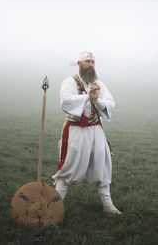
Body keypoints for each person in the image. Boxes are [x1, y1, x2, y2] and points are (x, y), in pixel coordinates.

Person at [52, 51, 121, 215]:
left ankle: (108, 206)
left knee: (102, 166)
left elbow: (110, 104)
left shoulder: (100, 85)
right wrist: (88, 98)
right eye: (87, 61)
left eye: (92, 62)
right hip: (76, 131)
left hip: (96, 130)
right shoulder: (69, 83)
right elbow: (66, 102)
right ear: (79, 64)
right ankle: (54, 207)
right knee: (69, 167)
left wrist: (97, 100)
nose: (90, 65)